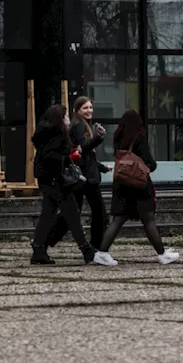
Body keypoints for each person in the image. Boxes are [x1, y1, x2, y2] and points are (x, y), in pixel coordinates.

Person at [29, 104, 116, 266]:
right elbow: (52, 157)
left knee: (48, 215)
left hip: (49, 180)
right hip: (58, 181)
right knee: (72, 216)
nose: (68, 120)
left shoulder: (47, 134)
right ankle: (87, 251)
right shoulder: (56, 135)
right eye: (66, 116)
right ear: (60, 119)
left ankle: (39, 249)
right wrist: (68, 157)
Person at [98, 110, 180, 265]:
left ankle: (102, 252)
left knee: (118, 219)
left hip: (122, 183)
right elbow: (148, 160)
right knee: (148, 219)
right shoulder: (139, 135)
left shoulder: (118, 137)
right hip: (139, 184)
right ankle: (162, 254)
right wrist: (153, 165)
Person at [44, 96, 109, 250]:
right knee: (99, 213)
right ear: (77, 110)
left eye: (91, 107)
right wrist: (99, 138)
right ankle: (96, 246)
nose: (89, 111)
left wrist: (101, 167)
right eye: (85, 108)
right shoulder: (79, 125)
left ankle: (44, 241)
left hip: (83, 176)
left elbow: (83, 153)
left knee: (70, 214)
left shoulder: (80, 124)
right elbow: (83, 148)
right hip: (85, 178)